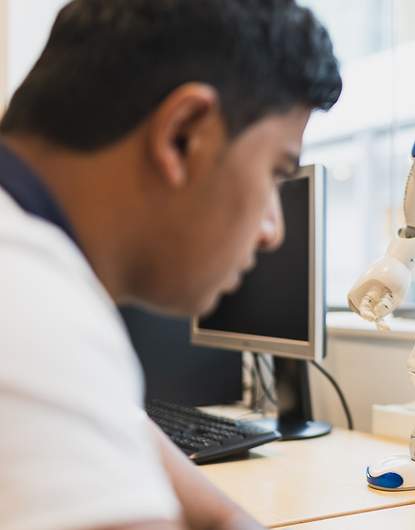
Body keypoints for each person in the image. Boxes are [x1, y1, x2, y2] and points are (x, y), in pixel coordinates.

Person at [0, 1, 341, 529]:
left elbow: (127, 431)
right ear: (183, 134)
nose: (273, 229)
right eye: (277, 172)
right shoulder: (31, 304)